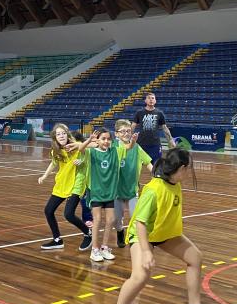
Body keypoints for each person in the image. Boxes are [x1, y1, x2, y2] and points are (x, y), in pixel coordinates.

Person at [109, 148, 220, 304]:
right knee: (140, 276)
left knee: (195, 258)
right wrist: (146, 251)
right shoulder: (153, 190)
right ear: (182, 168)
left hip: (164, 233)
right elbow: (140, 223)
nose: (189, 171)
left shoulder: (174, 182)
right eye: (189, 168)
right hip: (143, 235)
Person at [38, 124, 92, 251]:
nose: (61, 136)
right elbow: (53, 163)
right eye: (58, 134)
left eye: (63, 133)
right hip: (62, 182)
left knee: (68, 214)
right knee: (48, 210)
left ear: (67, 134)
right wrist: (44, 176)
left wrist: (82, 161)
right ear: (55, 137)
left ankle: (88, 233)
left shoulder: (76, 145)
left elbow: (87, 153)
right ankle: (57, 240)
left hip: (76, 184)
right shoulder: (55, 150)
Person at [72, 128, 120, 262]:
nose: (106, 141)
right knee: (97, 220)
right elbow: (81, 148)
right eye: (103, 138)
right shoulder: (91, 152)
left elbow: (124, 144)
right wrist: (90, 141)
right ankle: (95, 250)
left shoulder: (113, 151)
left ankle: (104, 248)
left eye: (108, 139)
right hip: (96, 192)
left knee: (110, 220)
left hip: (109, 192)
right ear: (97, 140)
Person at [112, 119, 153, 248]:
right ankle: (120, 231)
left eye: (128, 131)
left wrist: (157, 176)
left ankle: (133, 238)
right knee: (117, 220)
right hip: (116, 191)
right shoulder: (112, 147)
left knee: (136, 217)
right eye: (122, 131)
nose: (126, 133)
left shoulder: (136, 147)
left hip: (131, 190)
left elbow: (148, 163)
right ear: (116, 134)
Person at [132, 92, 176, 165]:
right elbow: (132, 126)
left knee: (156, 166)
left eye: (153, 98)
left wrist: (171, 140)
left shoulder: (159, 113)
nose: (151, 100)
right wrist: (128, 139)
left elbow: (164, 128)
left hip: (155, 145)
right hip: (141, 144)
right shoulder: (139, 113)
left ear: (155, 101)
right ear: (145, 101)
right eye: (149, 98)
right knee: (137, 166)